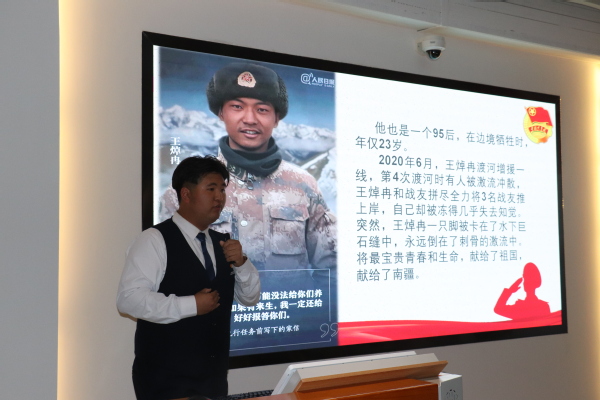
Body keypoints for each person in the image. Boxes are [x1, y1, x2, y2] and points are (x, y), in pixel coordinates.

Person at [161, 62, 337, 276]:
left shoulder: (303, 184)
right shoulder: (184, 190)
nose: (250, 119)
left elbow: (332, 269)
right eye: (237, 106)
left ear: (277, 118)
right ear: (221, 113)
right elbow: (166, 269)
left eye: (262, 109)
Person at [117, 155, 260, 400]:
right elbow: (128, 300)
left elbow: (250, 298)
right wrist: (191, 305)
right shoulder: (154, 240)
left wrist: (242, 263)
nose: (219, 197)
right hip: (166, 384)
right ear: (186, 194)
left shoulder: (223, 243)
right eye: (211, 189)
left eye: (222, 189)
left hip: (213, 381)